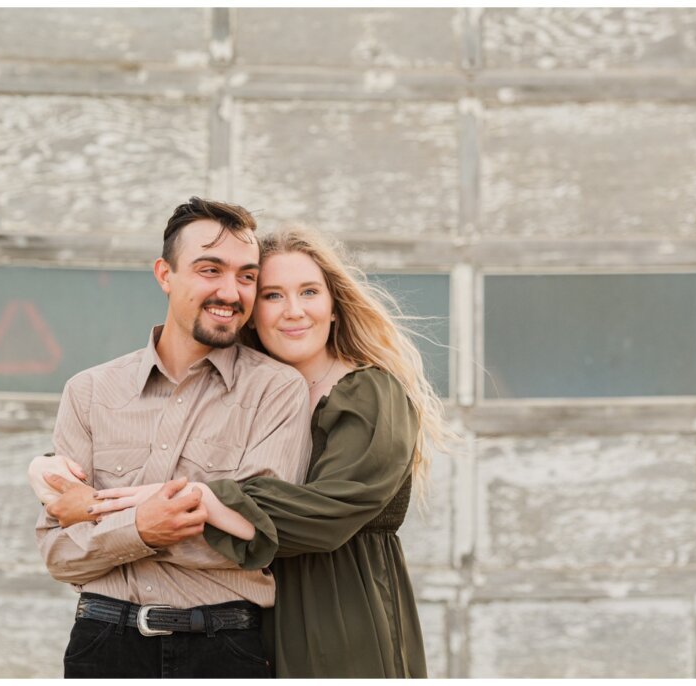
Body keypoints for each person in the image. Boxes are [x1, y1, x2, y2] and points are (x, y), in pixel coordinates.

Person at [36, 227, 447, 677]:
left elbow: (331, 510)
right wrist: (44, 467)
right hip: (251, 628)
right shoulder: (241, 391)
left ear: (334, 307)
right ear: (253, 313)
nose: (294, 311)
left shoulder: (370, 392)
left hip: (338, 614)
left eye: (309, 292)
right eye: (272, 295)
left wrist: (165, 504)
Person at [32, 197, 313, 678]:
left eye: (247, 276)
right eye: (210, 270)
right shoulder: (90, 392)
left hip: (224, 649)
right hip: (102, 645)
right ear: (165, 274)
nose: (232, 291)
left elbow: (260, 535)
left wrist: (104, 515)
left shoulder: (278, 391)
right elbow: (60, 554)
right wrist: (146, 525)